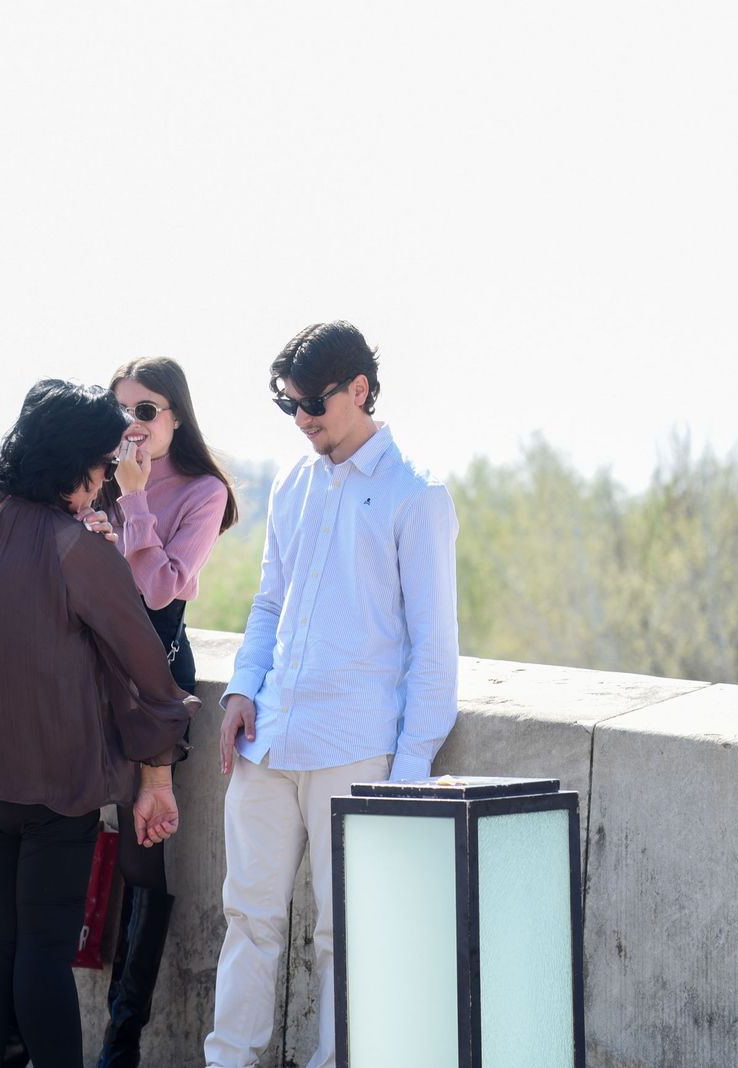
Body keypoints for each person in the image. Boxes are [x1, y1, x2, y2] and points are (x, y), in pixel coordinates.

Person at [204, 322, 459, 1068]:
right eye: (288, 405)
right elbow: (269, 605)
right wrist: (241, 690)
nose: (302, 418)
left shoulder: (419, 495)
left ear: (360, 389)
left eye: (313, 402)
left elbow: (434, 650)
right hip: (269, 738)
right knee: (246, 918)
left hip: (359, 745)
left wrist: (409, 775)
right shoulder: (293, 483)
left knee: (346, 933)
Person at [0, 380, 198, 1068]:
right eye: (104, 466)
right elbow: (144, 670)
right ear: (75, 462)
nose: (107, 479)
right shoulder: (74, 548)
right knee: (43, 954)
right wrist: (157, 772)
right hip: (55, 784)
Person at [95, 357, 236, 1068]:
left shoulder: (203, 491)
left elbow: (159, 594)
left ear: (177, 416)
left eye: (147, 411)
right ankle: (22, 1034)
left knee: (142, 862)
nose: (134, 427)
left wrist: (135, 501)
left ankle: (122, 1043)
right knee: (53, 844)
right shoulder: (97, 472)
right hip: (84, 681)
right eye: (121, 412)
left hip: (152, 687)